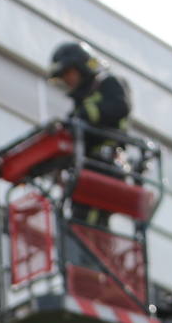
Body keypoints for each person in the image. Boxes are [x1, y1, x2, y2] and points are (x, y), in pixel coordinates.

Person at [47, 40, 131, 232]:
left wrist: (82, 117)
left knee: (89, 221)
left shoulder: (110, 84)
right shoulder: (79, 105)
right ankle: (85, 257)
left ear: (81, 67)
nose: (67, 80)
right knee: (79, 219)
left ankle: (89, 257)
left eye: (68, 73)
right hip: (87, 169)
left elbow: (119, 107)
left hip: (107, 166)